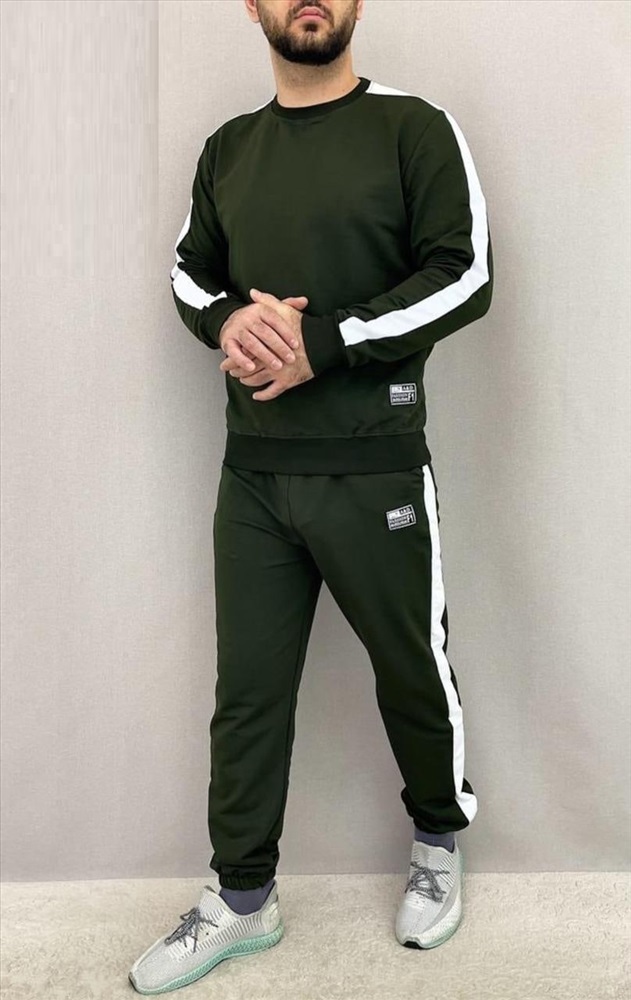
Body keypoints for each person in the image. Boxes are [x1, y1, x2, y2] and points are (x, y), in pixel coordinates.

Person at [129, 0, 493, 992]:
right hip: (253, 473)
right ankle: (242, 897)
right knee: (246, 696)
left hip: (374, 465)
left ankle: (436, 843)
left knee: (411, 668)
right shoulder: (228, 149)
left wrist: (321, 341)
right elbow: (189, 274)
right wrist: (230, 323)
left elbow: (464, 276)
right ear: (251, 6)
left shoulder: (413, 127)